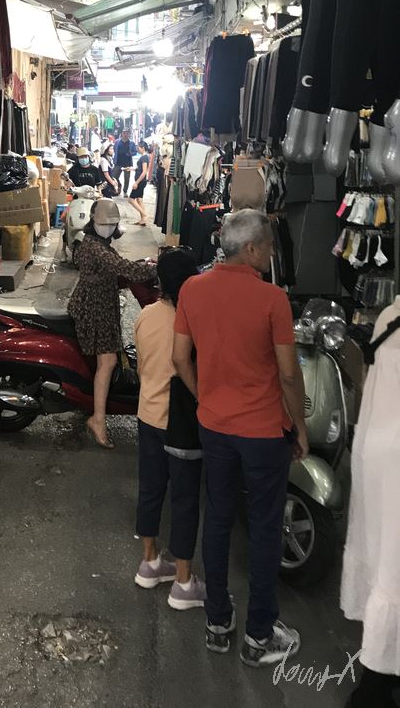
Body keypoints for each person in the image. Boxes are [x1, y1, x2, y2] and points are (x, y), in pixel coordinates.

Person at [172, 209, 308, 667]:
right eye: (268, 247)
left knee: (217, 519)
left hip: (215, 427)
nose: (271, 254)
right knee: (265, 529)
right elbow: (288, 374)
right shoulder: (273, 299)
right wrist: (300, 426)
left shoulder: (193, 289)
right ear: (250, 249)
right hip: (264, 432)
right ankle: (259, 636)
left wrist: (204, 396)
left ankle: (217, 622)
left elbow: (180, 359)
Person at [134, 248, 205, 611]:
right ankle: (183, 582)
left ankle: (150, 563)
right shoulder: (194, 320)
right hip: (180, 423)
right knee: (185, 498)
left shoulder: (145, 315)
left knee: (150, 489)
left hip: (147, 414)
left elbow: (142, 366)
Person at [341, 295, 400, 708]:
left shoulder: (390, 316)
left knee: (385, 562)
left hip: (377, 453)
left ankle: (377, 680)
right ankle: (377, 684)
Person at [68, 199, 156, 449]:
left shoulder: (98, 243)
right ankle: (98, 419)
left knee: (107, 361)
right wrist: (156, 269)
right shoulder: (93, 247)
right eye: (104, 223)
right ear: (93, 221)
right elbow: (121, 267)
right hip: (94, 310)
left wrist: (144, 263)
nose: (108, 228)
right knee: (108, 362)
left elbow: (119, 266)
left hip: (101, 305)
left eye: (112, 224)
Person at [128, 141, 151, 225]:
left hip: (140, 181)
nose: (137, 149)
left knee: (131, 199)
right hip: (141, 181)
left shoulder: (144, 157)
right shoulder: (144, 157)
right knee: (139, 200)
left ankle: (145, 215)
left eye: (138, 148)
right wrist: (132, 169)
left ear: (143, 148)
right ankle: (143, 220)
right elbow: (140, 169)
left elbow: (144, 172)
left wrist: (136, 183)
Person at [114, 129, 137, 194]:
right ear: (122, 133)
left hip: (127, 163)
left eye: (127, 133)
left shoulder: (131, 143)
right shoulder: (117, 142)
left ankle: (125, 191)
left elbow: (135, 152)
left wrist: (130, 154)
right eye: (124, 133)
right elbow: (114, 149)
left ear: (129, 134)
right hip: (118, 162)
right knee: (114, 176)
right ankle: (119, 185)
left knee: (127, 178)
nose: (125, 134)